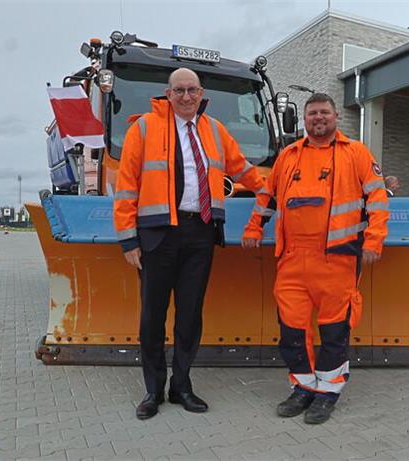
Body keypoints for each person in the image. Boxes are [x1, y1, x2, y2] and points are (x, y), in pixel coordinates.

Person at [113, 68, 265, 420]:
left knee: (190, 314)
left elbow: (242, 169)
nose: (185, 96)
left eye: (192, 90)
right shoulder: (144, 128)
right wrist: (127, 240)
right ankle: (153, 390)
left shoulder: (214, 130)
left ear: (201, 93)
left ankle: (181, 385)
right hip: (157, 235)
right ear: (168, 93)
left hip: (201, 232)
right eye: (179, 90)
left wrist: (275, 189)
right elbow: (126, 187)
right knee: (152, 316)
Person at [242, 93, 389, 424]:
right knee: (292, 330)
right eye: (312, 114)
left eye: (324, 112)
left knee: (335, 330)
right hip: (293, 260)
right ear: (304, 120)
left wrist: (374, 240)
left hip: (337, 258)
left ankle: (328, 392)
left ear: (336, 117)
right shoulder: (288, 156)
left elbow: (377, 198)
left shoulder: (356, 154)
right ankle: (303, 388)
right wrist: (253, 228)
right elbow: (267, 195)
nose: (318, 118)